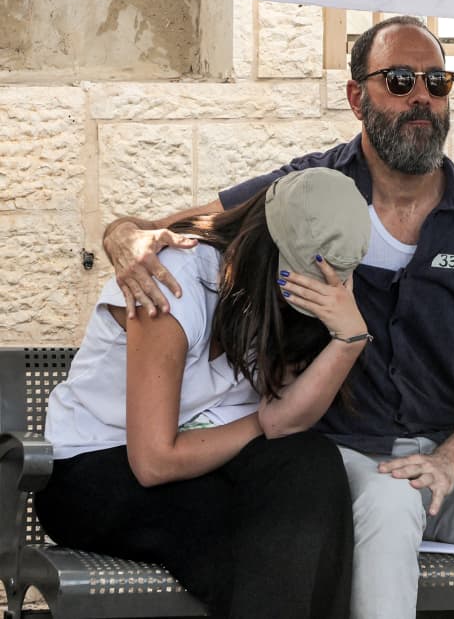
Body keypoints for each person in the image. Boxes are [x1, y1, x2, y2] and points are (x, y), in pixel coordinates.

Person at [102, 15, 454, 619]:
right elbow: (176, 228)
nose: (422, 97)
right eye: (399, 80)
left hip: (452, 455)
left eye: (437, 82)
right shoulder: (309, 192)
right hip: (342, 455)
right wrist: (121, 235)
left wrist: (450, 461)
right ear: (355, 97)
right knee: (390, 509)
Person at [36, 167, 369, 618]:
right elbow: (154, 462)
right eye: (297, 276)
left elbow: (289, 422)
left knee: (313, 465)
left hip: (205, 459)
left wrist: (348, 340)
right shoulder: (174, 280)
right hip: (95, 467)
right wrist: (261, 422)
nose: (306, 293)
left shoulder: (300, 305)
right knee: (251, 538)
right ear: (265, 242)